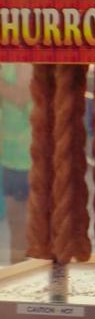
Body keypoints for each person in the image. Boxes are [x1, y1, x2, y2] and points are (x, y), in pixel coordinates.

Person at [0, 64, 32, 264]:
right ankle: (17, 278)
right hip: (10, 155)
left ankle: (33, 280)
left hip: (28, 157)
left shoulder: (25, 59)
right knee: (16, 222)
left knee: (31, 226)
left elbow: (22, 96)